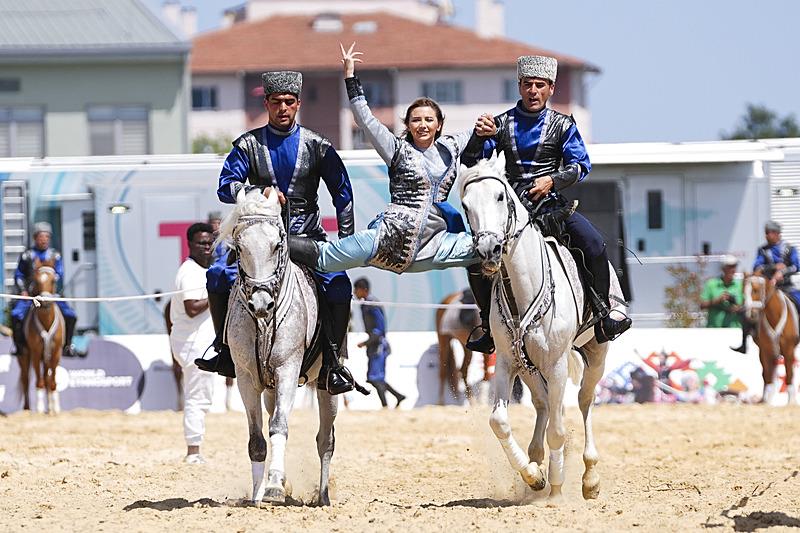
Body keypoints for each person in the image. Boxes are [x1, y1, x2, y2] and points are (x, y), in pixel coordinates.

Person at [197, 69, 358, 396]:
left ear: (297, 104)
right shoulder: (247, 144)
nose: (282, 108)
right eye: (275, 102)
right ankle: (224, 350)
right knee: (216, 275)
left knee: (339, 284)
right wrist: (261, 190)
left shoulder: (318, 146)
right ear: (267, 104)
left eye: (288, 102)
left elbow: (343, 192)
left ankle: (332, 361)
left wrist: (348, 240)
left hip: (306, 237)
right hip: (259, 237)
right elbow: (225, 187)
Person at [460, 55, 632, 352]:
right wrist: (477, 137)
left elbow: (581, 165)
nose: (533, 91)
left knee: (593, 242)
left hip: (551, 205)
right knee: (477, 257)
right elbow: (472, 162)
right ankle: (490, 328)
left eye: (540, 85)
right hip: (509, 210)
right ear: (520, 86)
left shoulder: (563, 125)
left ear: (551, 88)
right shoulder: (499, 124)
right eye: (528, 84)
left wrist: (552, 180)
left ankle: (604, 315)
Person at [295, 44, 479, 280]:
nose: (422, 125)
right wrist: (350, 77)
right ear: (408, 125)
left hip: (438, 243)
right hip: (390, 240)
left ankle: (490, 314)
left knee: (489, 248)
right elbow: (365, 120)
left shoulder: (452, 146)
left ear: (439, 124)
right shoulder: (397, 149)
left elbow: (481, 130)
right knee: (326, 259)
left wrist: (488, 125)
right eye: (416, 120)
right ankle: (276, 239)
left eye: (428, 120)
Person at [169, 222, 216, 464]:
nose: (206, 247)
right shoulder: (189, 272)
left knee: (202, 397)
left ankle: (195, 447)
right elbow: (192, 308)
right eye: (201, 243)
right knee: (196, 397)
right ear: (190, 244)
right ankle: (193, 451)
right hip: (192, 344)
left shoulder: (203, 269)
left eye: (209, 242)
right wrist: (216, 292)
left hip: (200, 342)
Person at [10, 222, 79, 358]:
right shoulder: (27, 255)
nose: (44, 239)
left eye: (47, 237)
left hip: (50, 294)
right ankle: (19, 347)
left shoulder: (55, 255)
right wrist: (23, 290)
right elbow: (19, 274)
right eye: (41, 236)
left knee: (71, 315)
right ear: (35, 238)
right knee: (16, 314)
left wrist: (49, 285)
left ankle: (68, 345)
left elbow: (59, 273)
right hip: (31, 296)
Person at [731, 220, 800, 353]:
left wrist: (783, 271)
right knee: (748, 308)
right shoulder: (763, 250)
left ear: (777, 233)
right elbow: (757, 267)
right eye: (766, 233)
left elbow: (797, 265)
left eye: (770, 232)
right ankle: (744, 342)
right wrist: (774, 267)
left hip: (786, 287)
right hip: (767, 289)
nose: (767, 235)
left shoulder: (789, 249)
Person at [353, 277, 405, 408]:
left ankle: (385, 405)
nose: (355, 292)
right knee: (374, 378)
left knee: (375, 378)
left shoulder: (372, 304)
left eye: (356, 290)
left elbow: (379, 329)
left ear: (363, 290)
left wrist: (367, 342)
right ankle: (398, 396)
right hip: (373, 345)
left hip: (378, 345)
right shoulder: (365, 304)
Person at [700, 255, 743, 328]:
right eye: (730, 267)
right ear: (723, 269)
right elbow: (702, 305)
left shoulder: (740, 286)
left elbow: (746, 307)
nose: (733, 270)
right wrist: (716, 301)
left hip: (734, 330)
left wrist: (738, 308)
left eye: (734, 267)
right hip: (714, 330)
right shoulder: (711, 284)